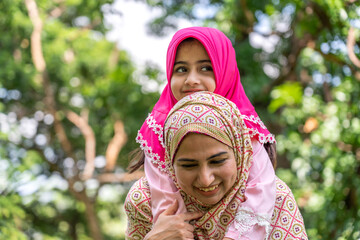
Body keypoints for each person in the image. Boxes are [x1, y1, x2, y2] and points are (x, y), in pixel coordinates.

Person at [128, 27, 277, 238]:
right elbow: (164, 203)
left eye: (206, 68)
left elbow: (260, 191)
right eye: (181, 70)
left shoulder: (243, 128)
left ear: (224, 71)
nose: (191, 80)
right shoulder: (158, 129)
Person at [125, 92, 308, 240]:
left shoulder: (274, 199)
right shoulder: (145, 201)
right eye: (189, 165)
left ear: (239, 153)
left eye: (217, 161)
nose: (205, 179)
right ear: (170, 164)